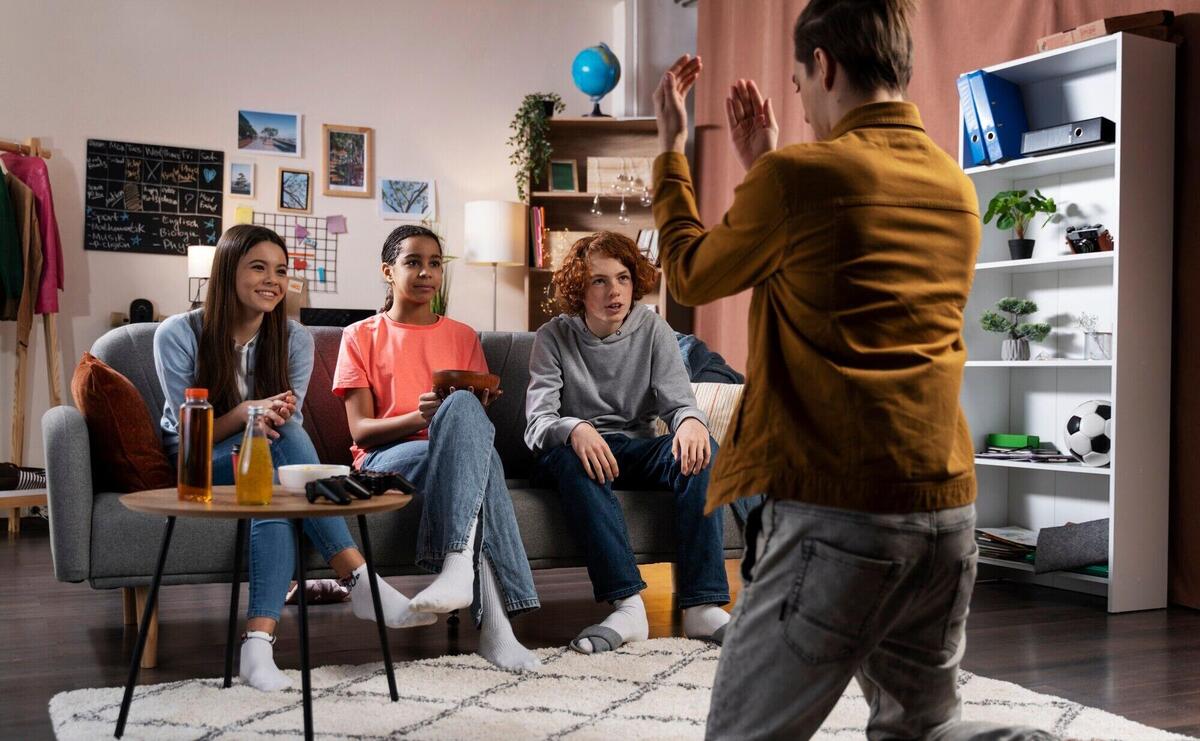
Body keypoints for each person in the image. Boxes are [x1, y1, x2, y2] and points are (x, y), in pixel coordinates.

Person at [652, 1, 1054, 738]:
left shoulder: (804, 177)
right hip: (946, 513)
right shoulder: (955, 187)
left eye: (800, 85)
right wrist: (770, 166)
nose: (801, 105)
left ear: (825, 65)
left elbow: (688, 275)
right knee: (919, 728)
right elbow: (841, 270)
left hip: (837, 513)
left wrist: (672, 150)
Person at [154, 224, 432, 693]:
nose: (273, 280)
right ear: (226, 273)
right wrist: (245, 413)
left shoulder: (294, 339)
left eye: (281, 270)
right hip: (197, 458)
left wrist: (260, 422)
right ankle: (358, 575)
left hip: (264, 454)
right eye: (258, 267)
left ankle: (257, 647)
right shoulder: (177, 334)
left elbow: (285, 421)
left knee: (272, 491)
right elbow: (192, 432)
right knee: (279, 447)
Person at [334, 224, 541, 672]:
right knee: (479, 461)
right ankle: (494, 626)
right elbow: (361, 432)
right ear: (388, 271)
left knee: (467, 413)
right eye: (413, 262)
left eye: (434, 264)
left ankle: (458, 572)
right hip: (385, 460)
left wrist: (472, 406)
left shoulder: (464, 336)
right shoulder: (360, 336)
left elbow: (472, 422)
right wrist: (421, 416)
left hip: (454, 452)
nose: (426, 272)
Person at [526, 231, 730, 654]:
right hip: (576, 453)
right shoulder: (553, 337)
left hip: (634, 448)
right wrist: (575, 428)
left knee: (701, 447)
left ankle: (702, 606)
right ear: (579, 289)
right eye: (599, 281)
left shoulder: (654, 328)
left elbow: (678, 403)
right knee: (567, 457)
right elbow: (537, 424)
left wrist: (691, 421)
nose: (614, 290)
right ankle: (627, 606)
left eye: (622, 278)